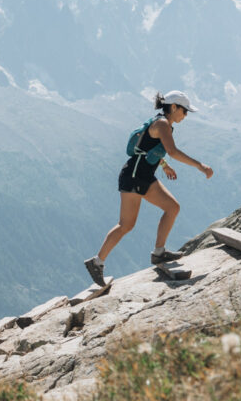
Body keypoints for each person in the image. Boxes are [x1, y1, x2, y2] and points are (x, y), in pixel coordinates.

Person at [84, 90, 214, 285]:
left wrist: (163, 165)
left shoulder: (163, 123)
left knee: (172, 208)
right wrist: (199, 166)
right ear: (174, 107)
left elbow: (149, 147)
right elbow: (172, 151)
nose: (185, 115)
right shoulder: (162, 124)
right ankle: (97, 262)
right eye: (184, 111)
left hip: (143, 176)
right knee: (126, 224)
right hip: (134, 177)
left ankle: (159, 253)